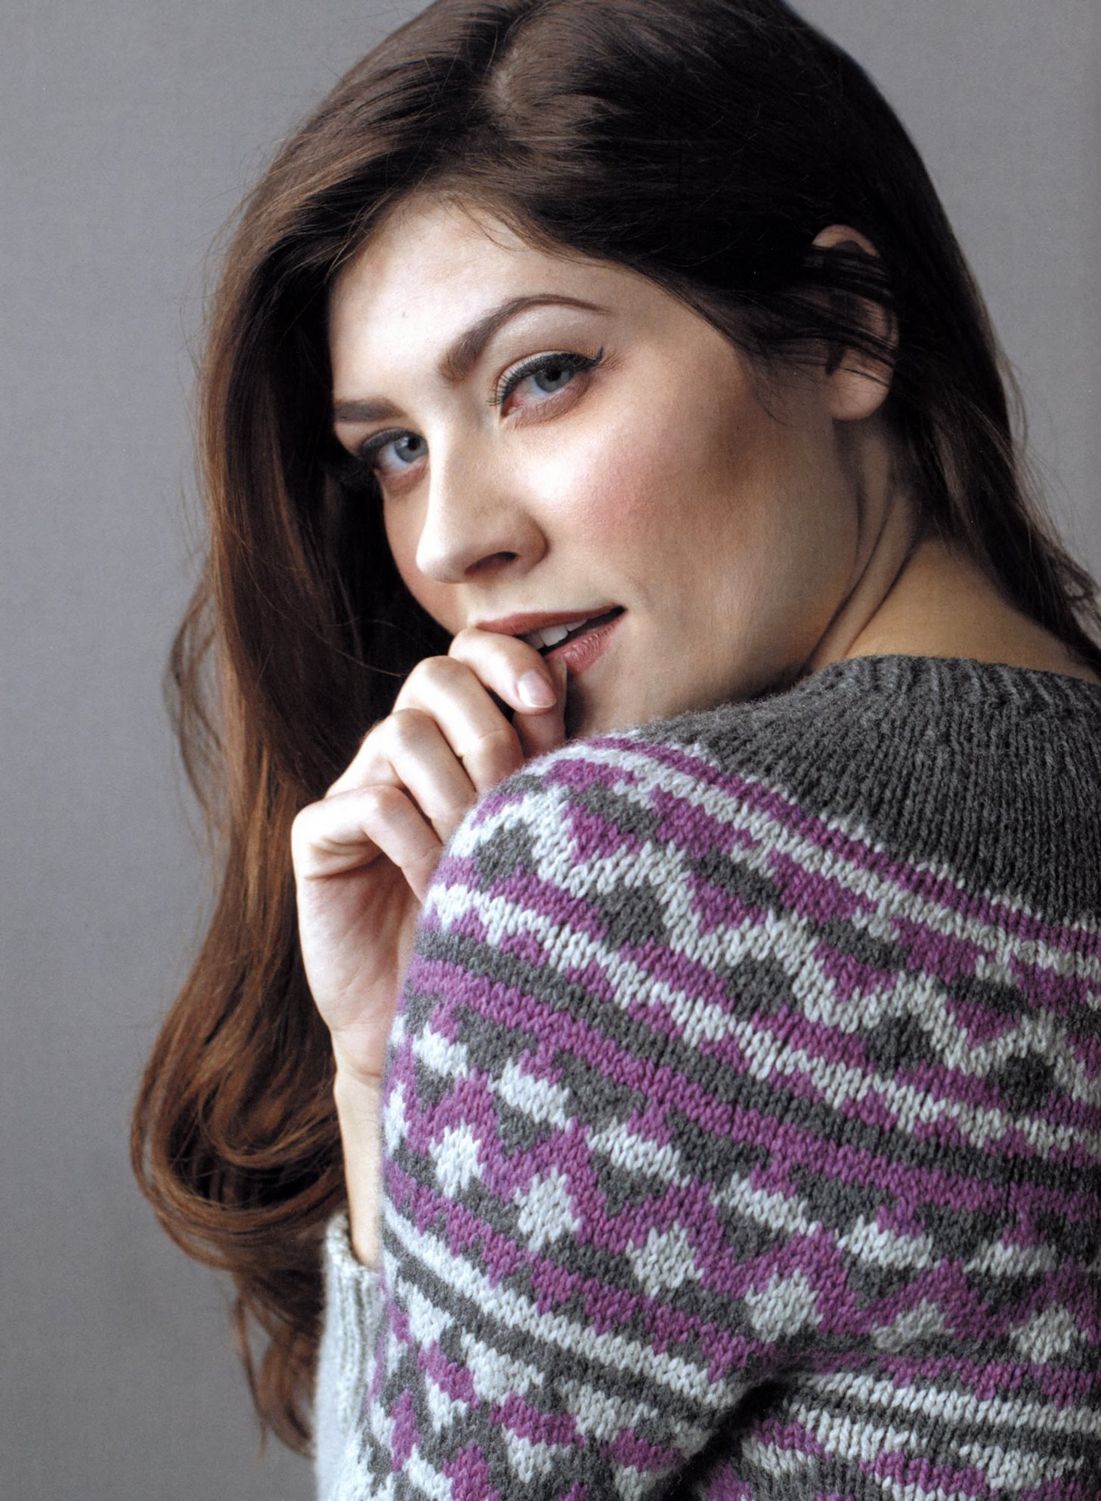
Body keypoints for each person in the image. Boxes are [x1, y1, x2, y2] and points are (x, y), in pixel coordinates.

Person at [131, 0, 1101, 1495]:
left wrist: (383, 1078)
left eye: (541, 375)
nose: (450, 540)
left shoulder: (623, 890)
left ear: (844, 327)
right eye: (394, 449)